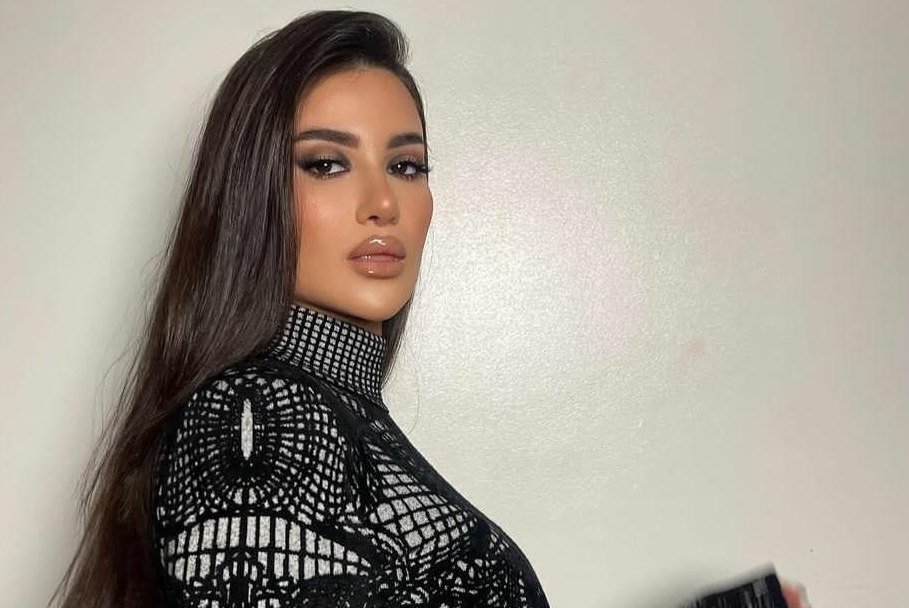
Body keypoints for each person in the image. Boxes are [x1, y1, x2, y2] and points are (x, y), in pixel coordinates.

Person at [50, 10, 811, 608]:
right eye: (327, 163)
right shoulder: (258, 415)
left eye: (406, 165)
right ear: (253, 195)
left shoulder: (335, 415)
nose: (382, 202)